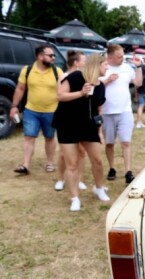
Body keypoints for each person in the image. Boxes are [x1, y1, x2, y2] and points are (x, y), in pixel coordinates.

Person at [55, 54, 110, 211]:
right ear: (96, 65)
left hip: (88, 125)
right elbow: (59, 96)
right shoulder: (76, 77)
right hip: (67, 124)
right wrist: (80, 93)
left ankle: (98, 188)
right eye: (105, 64)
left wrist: (99, 130)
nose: (107, 67)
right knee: (72, 164)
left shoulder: (101, 86)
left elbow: (99, 109)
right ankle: (75, 198)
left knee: (98, 160)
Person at [10, 44, 63, 175]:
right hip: (31, 111)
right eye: (50, 55)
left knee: (50, 137)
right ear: (40, 56)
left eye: (53, 55)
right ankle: (26, 165)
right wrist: (14, 106)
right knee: (29, 137)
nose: (53, 58)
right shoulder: (27, 70)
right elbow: (20, 88)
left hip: (52, 111)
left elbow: (63, 92)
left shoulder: (58, 72)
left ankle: (50, 163)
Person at [100, 44, 143, 184]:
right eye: (119, 57)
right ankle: (112, 168)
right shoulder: (103, 68)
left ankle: (128, 172)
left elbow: (138, 82)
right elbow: (94, 86)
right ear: (110, 57)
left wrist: (138, 67)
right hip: (107, 112)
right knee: (109, 143)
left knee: (126, 142)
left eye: (123, 56)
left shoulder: (126, 68)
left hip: (125, 111)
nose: (122, 59)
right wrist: (107, 80)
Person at [55, 50, 88, 191]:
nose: (85, 63)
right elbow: (60, 96)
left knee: (81, 151)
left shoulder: (85, 76)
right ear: (76, 62)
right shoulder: (64, 76)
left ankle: (78, 178)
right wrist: (80, 94)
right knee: (65, 153)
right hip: (67, 118)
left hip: (81, 117)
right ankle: (60, 178)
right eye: (83, 61)